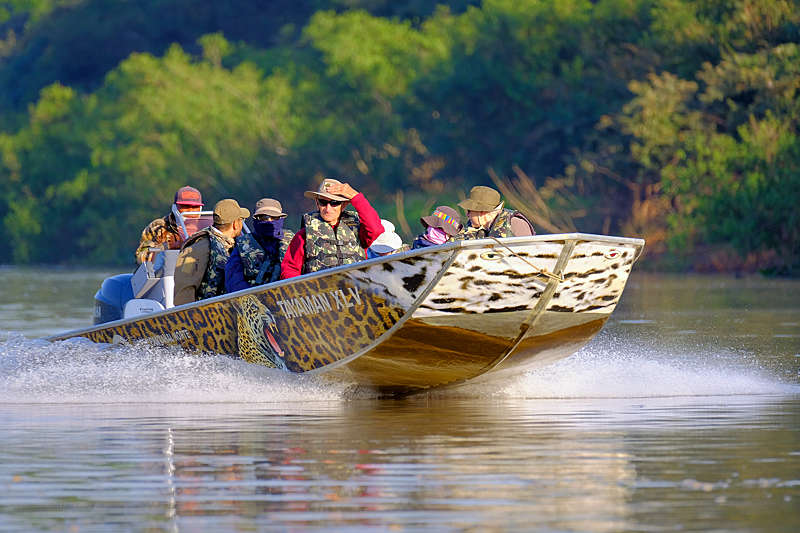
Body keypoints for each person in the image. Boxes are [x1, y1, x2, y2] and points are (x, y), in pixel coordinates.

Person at [280, 178, 384, 279]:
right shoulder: (304, 234)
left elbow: (375, 229)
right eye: (323, 202)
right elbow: (290, 270)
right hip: (321, 295)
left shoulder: (358, 230)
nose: (328, 209)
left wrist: (355, 196)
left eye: (334, 203)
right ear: (317, 203)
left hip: (356, 292)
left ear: (343, 205)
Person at [173, 199, 249, 305]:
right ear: (236, 224)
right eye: (241, 220)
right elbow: (184, 288)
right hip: (207, 316)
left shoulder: (235, 246)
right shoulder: (198, 247)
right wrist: (191, 317)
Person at [225, 198, 295, 292]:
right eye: (263, 218)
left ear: (281, 219)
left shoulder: (293, 241)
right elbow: (234, 281)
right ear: (255, 219)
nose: (269, 221)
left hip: (285, 299)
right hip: (251, 301)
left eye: (274, 217)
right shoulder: (242, 245)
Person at [135, 185, 204, 264]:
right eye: (185, 206)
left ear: (200, 209)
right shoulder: (159, 227)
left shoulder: (207, 229)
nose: (190, 211)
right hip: (164, 274)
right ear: (174, 207)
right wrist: (167, 248)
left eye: (195, 207)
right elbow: (140, 257)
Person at [457, 186, 535, 239]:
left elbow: (530, 254)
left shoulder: (515, 224)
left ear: (482, 212)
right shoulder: (471, 229)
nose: (467, 215)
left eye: (469, 211)